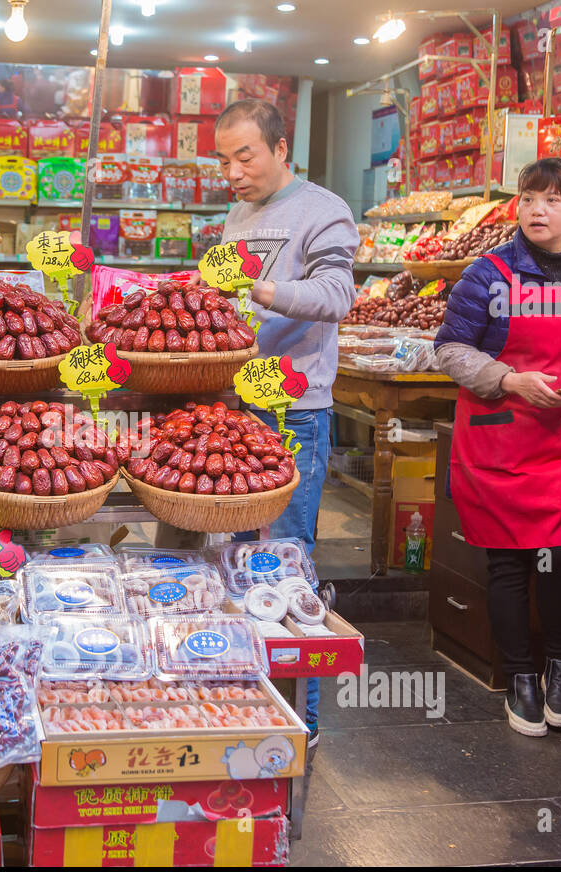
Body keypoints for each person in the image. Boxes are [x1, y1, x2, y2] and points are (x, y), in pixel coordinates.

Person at [434, 156, 561, 738]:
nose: (537, 210)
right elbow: (449, 349)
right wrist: (509, 380)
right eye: (528, 198)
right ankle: (521, 680)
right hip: (500, 440)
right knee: (510, 562)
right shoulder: (487, 274)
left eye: (552, 199)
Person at [214, 98, 360, 750]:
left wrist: (260, 288)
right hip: (240, 405)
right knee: (236, 561)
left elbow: (336, 297)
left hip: (294, 412)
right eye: (224, 158)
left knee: (286, 560)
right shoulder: (236, 215)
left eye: (244, 155)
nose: (233, 171)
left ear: (280, 149)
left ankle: (303, 723)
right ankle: (250, 699)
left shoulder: (322, 210)